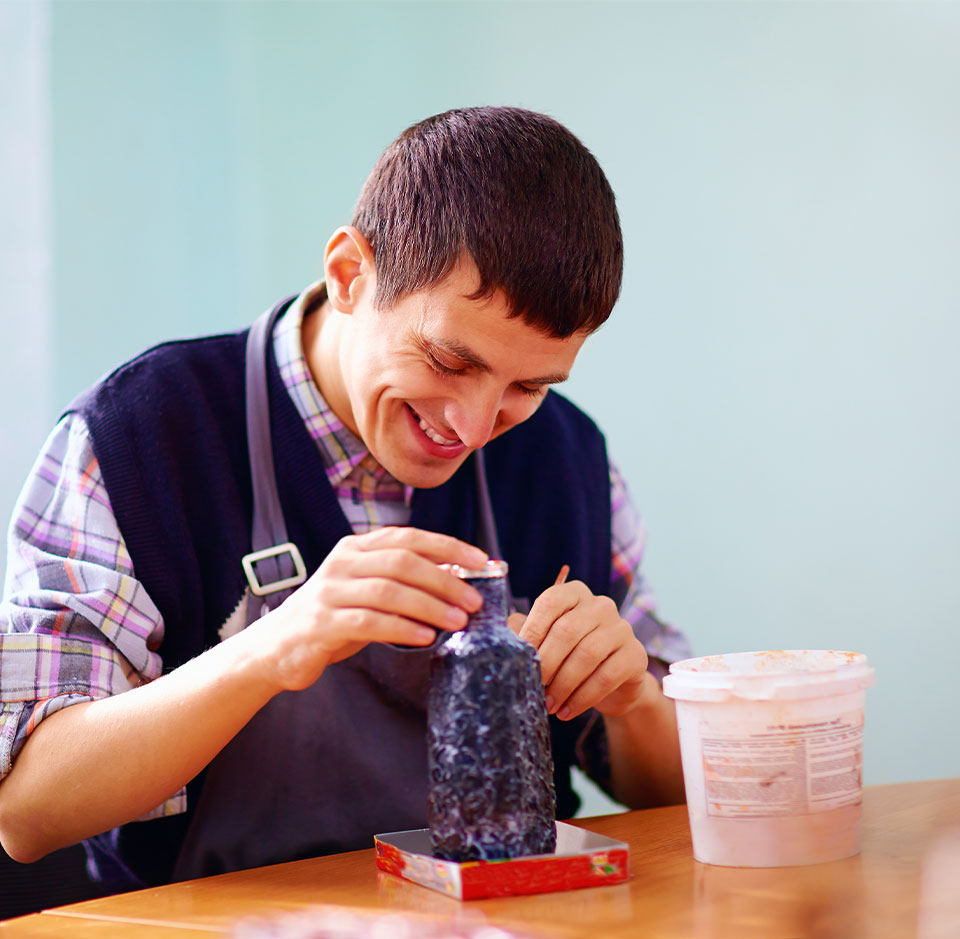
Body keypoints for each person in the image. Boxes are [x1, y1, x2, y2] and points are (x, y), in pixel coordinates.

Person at [0, 106, 691, 891]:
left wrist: (632, 696)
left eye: (527, 385)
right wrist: (271, 648)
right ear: (350, 273)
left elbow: (679, 796)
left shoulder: (567, 457)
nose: (472, 425)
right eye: (446, 359)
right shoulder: (135, 438)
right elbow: (29, 808)